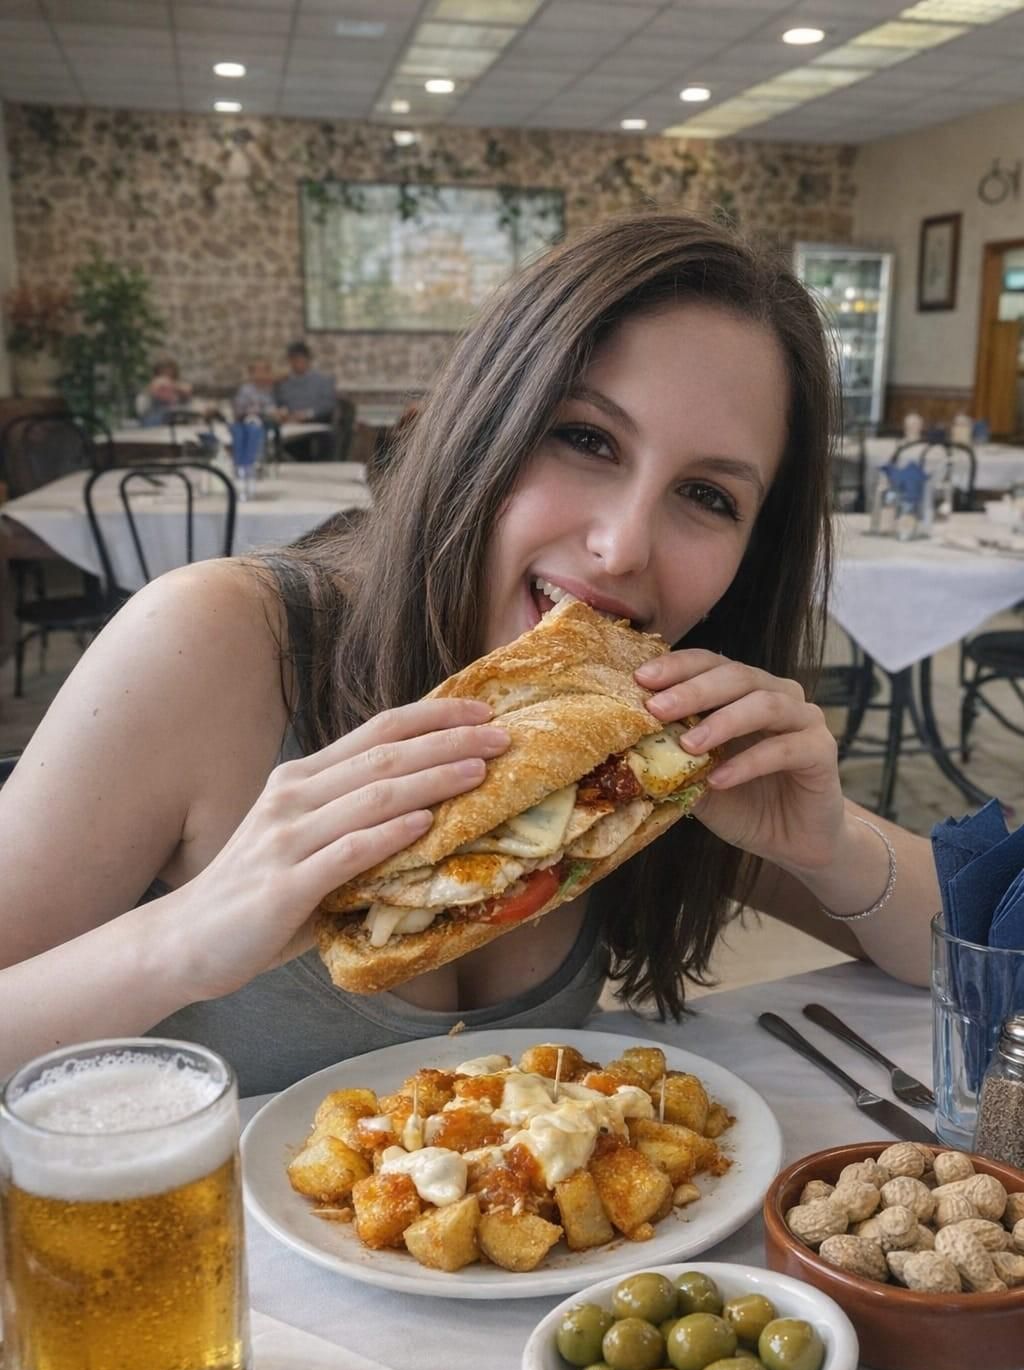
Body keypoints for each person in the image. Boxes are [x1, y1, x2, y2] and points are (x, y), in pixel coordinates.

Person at [0, 211, 940, 1094]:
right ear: (480, 425)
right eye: (585, 438)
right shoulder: (212, 638)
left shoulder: (648, 740)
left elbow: (971, 960)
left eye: (708, 497)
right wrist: (180, 942)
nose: (622, 547)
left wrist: (831, 848)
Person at [274, 340, 336, 424]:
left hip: (316, 423)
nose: (297, 364)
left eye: (300, 360)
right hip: (290, 423)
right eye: (293, 360)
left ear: (308, 360)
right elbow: (279, 403)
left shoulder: (323, 380)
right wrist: (281, 412)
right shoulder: (283, 382)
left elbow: (329, 405)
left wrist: (307, 414)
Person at [138, 357, 193, 426]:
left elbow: (187, 390)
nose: (167, 372)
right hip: (157, 419)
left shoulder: (178, 384)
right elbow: (157, 391)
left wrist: (173, 386)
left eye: (169, 369)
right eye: (164, 370)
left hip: (176, 419)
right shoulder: (155, 383)